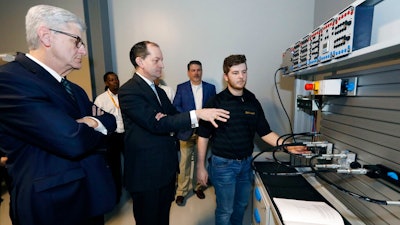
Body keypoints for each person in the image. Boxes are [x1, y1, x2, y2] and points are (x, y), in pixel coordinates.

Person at [0, 5, 117, 225]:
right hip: (54, 207)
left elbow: (110, 120)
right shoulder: (10, 80)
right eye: (77, 41)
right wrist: (89, 128)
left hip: (90, 197)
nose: (83, 51)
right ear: (46, 36)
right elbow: (71, 140)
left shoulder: (75, 89)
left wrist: (90, 121)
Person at [118, 41, 230, 225]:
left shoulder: (159, 92)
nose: (162, 65)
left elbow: (173, 118)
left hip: (165, 170)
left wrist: (166, 121)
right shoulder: (129, 91)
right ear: (140, 61)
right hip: (146, 174)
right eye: (156, 60)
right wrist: (197, 113)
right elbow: (156, 124)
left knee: (162, 219)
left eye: (162, 60)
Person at [196, 54, 309, 225]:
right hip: (223, 166)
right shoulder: (216, 101)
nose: (241, 76)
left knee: (241, 205)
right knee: (225, 209)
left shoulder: (252, 100)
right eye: (235, 73)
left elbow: (265, 132)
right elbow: (203, 136)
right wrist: (200, 167)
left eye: (244, 71)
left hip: (246, 165)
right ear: (226, 76)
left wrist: (288, 146)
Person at [173, 60, 216, 206]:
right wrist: (192, 115)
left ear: (201, 71)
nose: (196, 73)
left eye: (198, 70)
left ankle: (198, 187)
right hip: (186, 131)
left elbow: (214, 109)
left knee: (200, 161)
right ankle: (181, 192)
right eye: (193, 70)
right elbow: (176, 107)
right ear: (188, 72)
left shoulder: (210, 88)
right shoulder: (181, 88)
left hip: (203, 132)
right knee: (184, 163)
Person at [94, 71, 124, 204]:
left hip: (126, 134)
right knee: (114, 166)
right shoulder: (101, 100)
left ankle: (132, 190)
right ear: (106, 83)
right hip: (111, 137)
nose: (115, 82)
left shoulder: (124, 96)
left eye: (116, 79)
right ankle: (116, 194)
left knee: (132, 163)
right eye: (111, 80)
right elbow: (97, 120)